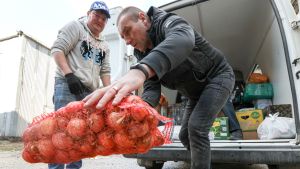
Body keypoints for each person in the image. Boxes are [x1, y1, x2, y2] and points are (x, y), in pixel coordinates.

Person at [83, 6, 235, 169]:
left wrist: (141, 70)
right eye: (122, 37)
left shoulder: (167, 22)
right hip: (195, 94)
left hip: (218, 77)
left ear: (143, 19)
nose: (126, 40)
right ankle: (204, 161)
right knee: (185, 136)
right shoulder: (141, 52)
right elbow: (151, 87)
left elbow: (183, 39)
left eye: (127, 31)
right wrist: (138, 113)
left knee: (196, 129)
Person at [49, 1, 111, 169]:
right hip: (67, 84)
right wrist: (69, 74)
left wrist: (108, 92)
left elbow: (105, 71)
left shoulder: (104, 45)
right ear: (88, 13)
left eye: (104, 18)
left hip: (89, 92)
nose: (100, 21)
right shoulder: (76, 27)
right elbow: (57, 49)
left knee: (81, 133)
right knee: (62, 131)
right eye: (97, 15)